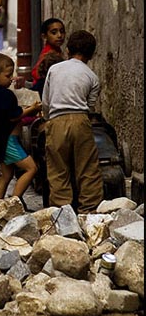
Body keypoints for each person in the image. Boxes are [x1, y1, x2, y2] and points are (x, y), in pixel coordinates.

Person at [42, 30, 104, 213]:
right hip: (80, 120)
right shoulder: (92, 77)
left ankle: (62, 212)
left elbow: (46, 101)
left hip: (56, 120)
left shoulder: (54, 69)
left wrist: (48, 119)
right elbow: (90, 106)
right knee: (87, 168)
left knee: (58, 168)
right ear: (92, 54)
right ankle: (89, 210)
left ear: (67, 49)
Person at [0, 52, 42, 204]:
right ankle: (14, 202)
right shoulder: (4, 95)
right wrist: (31, 109)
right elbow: (14, 116)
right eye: (8, 76)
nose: (11, 79)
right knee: (31, 168)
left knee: (6, 175)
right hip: (8, 141)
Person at [31, 18, 66, 87]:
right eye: (54, 33)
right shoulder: (48, 55)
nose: (59, 35)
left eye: (62, 31)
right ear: (44, 36)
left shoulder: (57, 51)